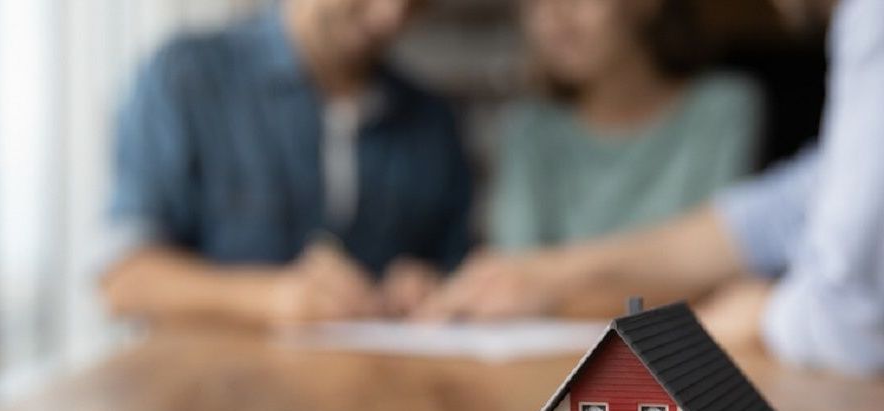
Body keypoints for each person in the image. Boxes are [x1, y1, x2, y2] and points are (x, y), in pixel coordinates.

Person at [419, 0, 884, 376]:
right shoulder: (530, 129)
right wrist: (554, 275)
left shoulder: (866, 20)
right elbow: (788, 206)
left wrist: (766, 312)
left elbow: (852, 309)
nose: (555, 13)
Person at [102, 0, 472, 327]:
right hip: (216, 391)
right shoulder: (187, 78)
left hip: (383, 390)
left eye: (417, 2)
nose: (390, 15)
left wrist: (428, 286)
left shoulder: (432, 121)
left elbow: (456, 273)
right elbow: (125, 281)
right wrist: (270, 297)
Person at [490, 0, 764, 250]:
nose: (557, 13)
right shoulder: (530, 132)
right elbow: (518, 272)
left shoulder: (720, 109)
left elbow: (720, 256)